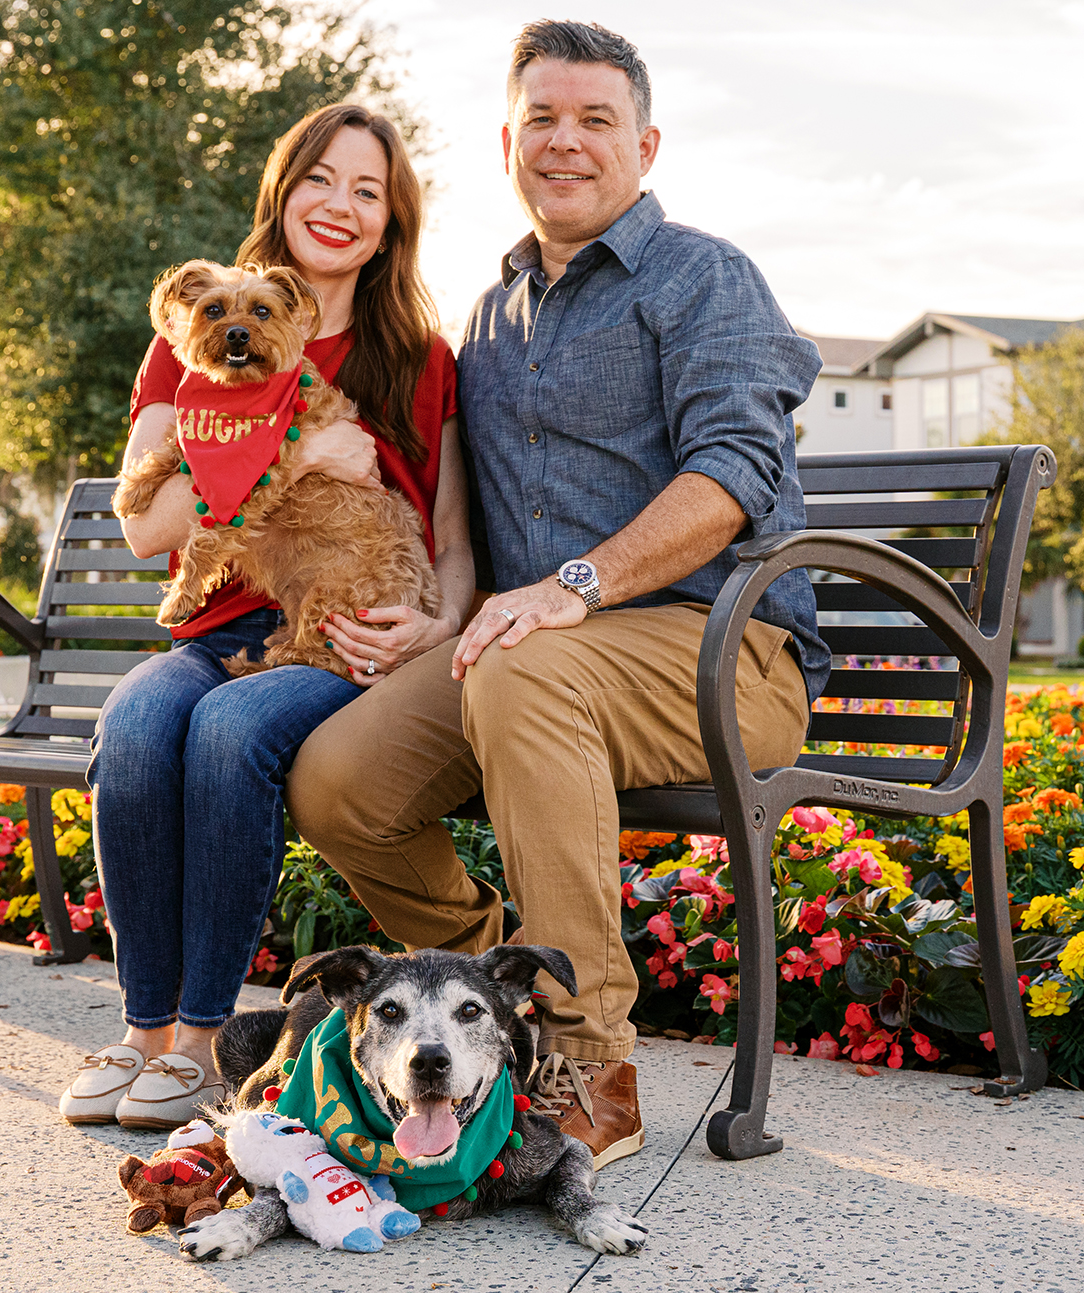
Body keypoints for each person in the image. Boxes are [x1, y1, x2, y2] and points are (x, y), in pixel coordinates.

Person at [288, 21, 827, 1169]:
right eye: (542, 118)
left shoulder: (702, 277)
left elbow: (734, 472)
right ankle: (508, 986)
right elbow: (467, 519)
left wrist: (575, 587)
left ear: (645, 143)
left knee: (528, 663)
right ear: (505, 141)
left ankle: (587, 1061)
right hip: (540, 657)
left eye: (594, 120)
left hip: (725, 653)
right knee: (338, 783)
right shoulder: (490, 316)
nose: (565, 142)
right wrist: (443, 612)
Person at [61, 103, 476, 1128]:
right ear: (282, 193)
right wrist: (286, 455)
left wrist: (437, 625)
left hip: (342, 635)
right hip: (217, 630)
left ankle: (201, 1041)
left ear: (391, 221)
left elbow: (458, 538)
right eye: (318, 180)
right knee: (139, 726)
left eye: (365, 191)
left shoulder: (417, 359)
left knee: (231, 734)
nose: (338, 205)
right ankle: (141, 1032)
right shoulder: (192, 339)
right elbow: (150, 528)